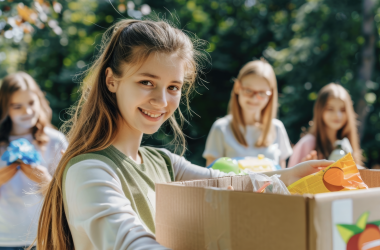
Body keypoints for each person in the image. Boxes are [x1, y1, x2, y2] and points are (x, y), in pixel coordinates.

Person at [35, 19, 331, 250]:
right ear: (112, 80)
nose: (162, 101)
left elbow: (226, 183)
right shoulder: (88, 169)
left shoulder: (162, 162)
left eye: (173, 87)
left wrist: (290, 176)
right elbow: (131, 241)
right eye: (147, 82)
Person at [0, 72, 67, 250]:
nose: (27, 112)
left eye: (31, 103)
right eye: (17, 106)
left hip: (43, 237)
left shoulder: (55, 141)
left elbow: (69, 196)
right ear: (4, 107)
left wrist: (46, 182)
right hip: (3, 239)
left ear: (40, 101)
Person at [203, 59, 293, 168]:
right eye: (249, 91)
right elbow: (211, 175)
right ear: (237, 87)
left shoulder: (277, 128)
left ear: (271, 94)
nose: (255, 98)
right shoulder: (221, 128)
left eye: (262, 93)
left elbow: (282, 176)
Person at [288, 83, 362, 167]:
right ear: (320, 111)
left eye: (342, 109)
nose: (337, 115)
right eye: (330, 109)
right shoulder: (307, 143)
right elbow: (289, 178)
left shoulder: (346, 145)